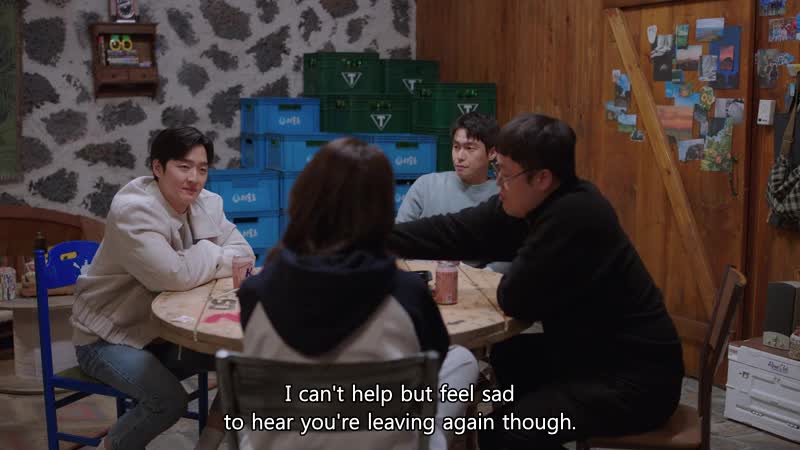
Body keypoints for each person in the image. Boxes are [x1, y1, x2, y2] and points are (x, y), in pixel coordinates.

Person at [387, 113, 685, 450]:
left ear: (542, 178)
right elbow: (458, 230)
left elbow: (515, 297)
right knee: (508, 357)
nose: (497, 182)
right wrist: (377, 237)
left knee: (503, 432)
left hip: (635, 380)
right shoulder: (536, 201)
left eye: (504, 173)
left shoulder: (575, 216)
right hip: (589, 353)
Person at [236, 137, 479, 450]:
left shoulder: (255, 292)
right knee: (463, 361)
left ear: (304, 197)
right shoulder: (407, 294)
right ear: (382, 210)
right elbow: (433, 363)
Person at [71, 127, 254, 450]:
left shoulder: (207, 203)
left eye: (202, 169)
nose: (194, 179)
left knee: (244, 365)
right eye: (183, 167)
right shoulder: (134, 210)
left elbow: (245, 256)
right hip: (107, 337)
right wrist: (212, 253)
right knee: (168, 402)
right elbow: (171, 276)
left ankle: (206, 446)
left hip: (163, 333)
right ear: (157, 168)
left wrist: (195, 263)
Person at [396, 111, 499, 223]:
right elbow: (399, 231)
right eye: (456, 147)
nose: (459, 157)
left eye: (469, 148)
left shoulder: (502, 195)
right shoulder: (426, 187)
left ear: (492, 153)